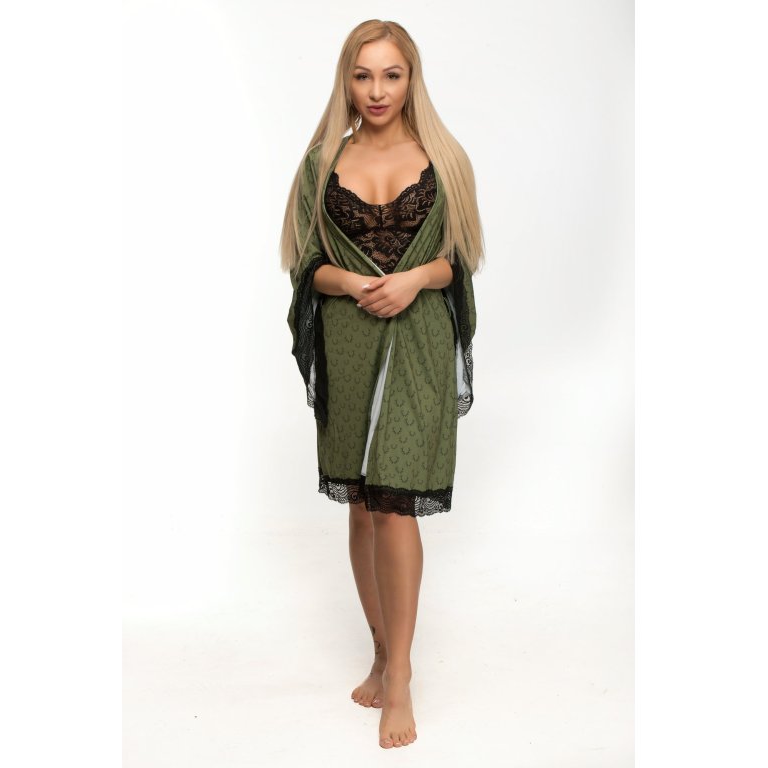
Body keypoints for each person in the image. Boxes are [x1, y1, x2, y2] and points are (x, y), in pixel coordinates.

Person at [280, 19, 483, 750]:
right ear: (346, 79)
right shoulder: (319, 165)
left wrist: (415, 279)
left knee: (396, 504)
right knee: (363, 507)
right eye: (363, 75)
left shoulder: (444, 159)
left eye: (391, 75)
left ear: (411, 79)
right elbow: (304, 265)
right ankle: (379, 649)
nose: (376, 90)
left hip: (419, 341)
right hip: (349, 339)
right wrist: (350, 282)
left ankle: (400, 677)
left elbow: (459, 260)